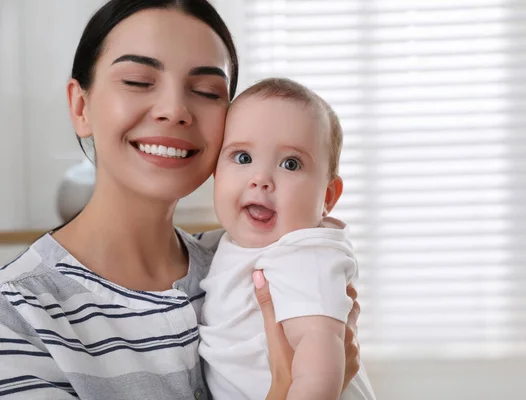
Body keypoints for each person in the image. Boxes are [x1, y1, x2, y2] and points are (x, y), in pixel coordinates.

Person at [0, 1, 363, 399]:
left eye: (207, 91)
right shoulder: (18, 313)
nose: (175, 111)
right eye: (138, 81)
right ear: (81, 105)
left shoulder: (253, 259)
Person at [199, 78, 376, 400]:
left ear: (327, 196)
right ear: (215, 172)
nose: (261, 179)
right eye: (242, 158)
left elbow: (319, 351)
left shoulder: (306, 253)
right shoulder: (220, 247)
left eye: (290, 164)